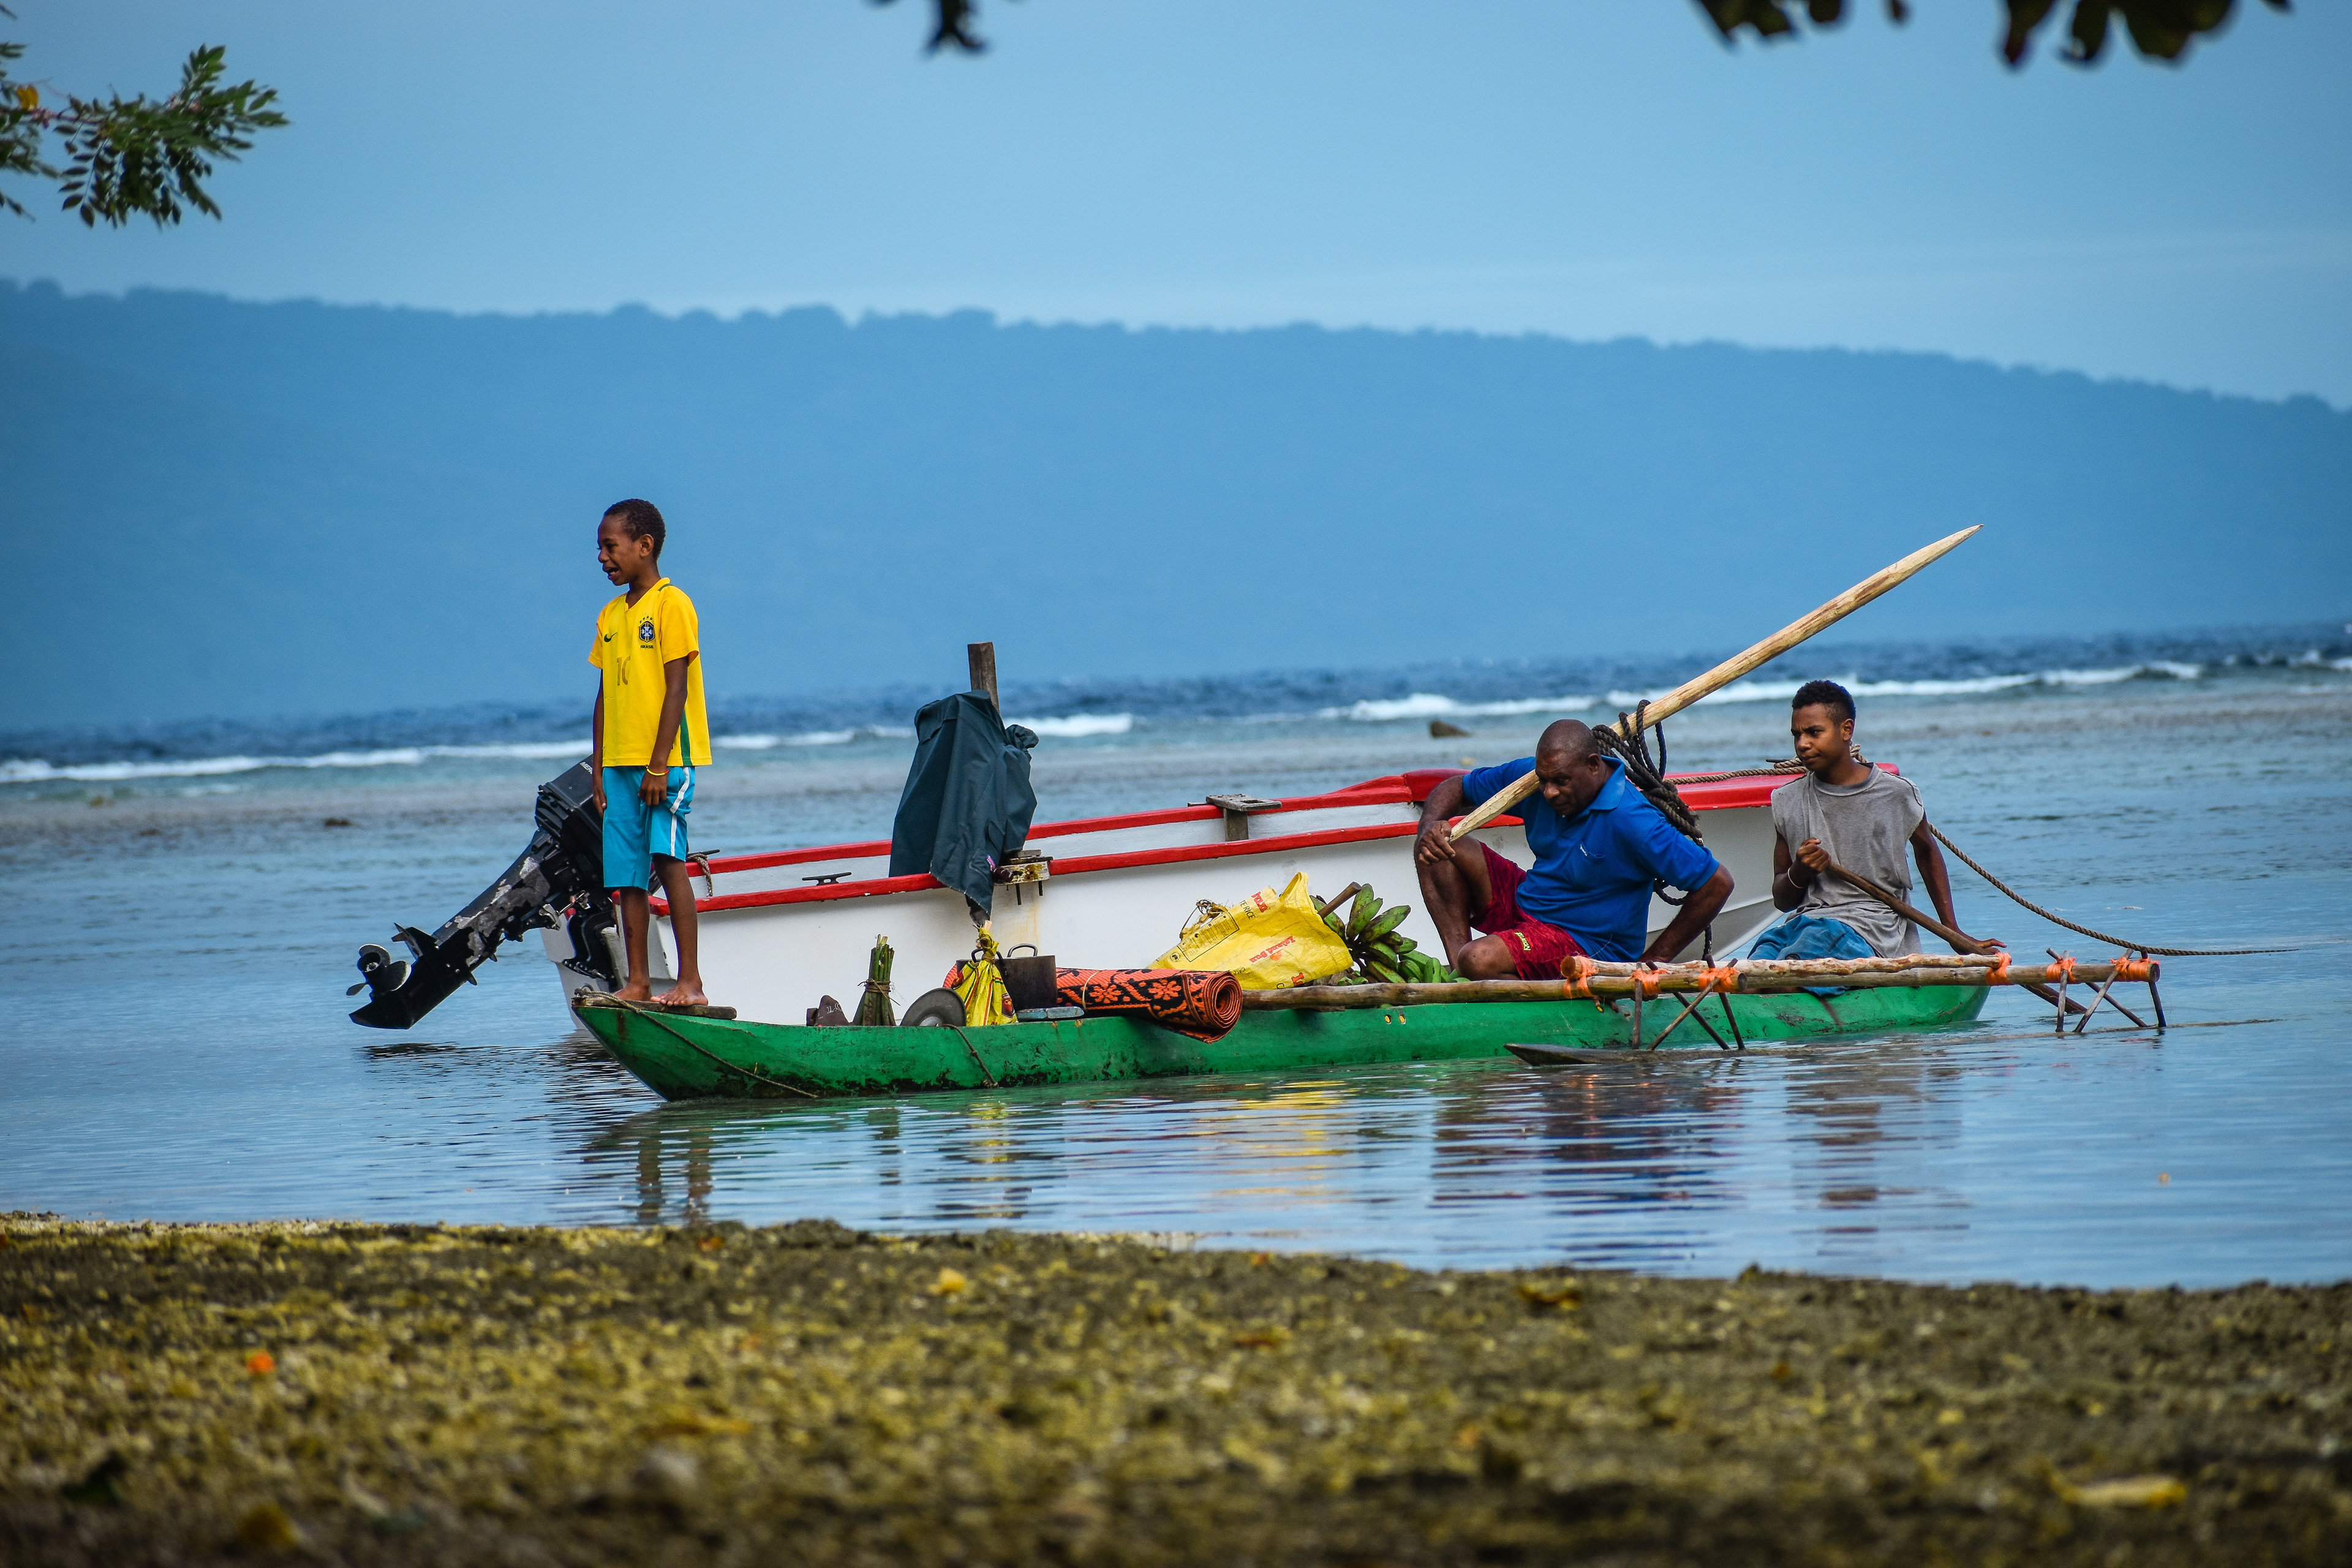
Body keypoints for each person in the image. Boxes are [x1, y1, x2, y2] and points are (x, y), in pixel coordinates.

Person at [1414, 719, 1734, 976]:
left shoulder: (1633, 820)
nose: (1549, 792)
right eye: (1543, 780)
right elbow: (1455, 786)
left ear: (1594, 766)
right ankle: (1458, 977)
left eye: (1561, 782)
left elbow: (1717, 883)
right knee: (1436, 848)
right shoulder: (1538, 778)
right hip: (1529, 907)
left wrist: (1654, 961)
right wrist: (1429, 824)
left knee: (1479, 958)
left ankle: (1486, 981)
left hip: (1583, 943)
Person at [1755, 678, 1992, 962]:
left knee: (1793, 967)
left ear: (1846, 730)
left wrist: (1953, 931)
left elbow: (1928, 852)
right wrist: (1800, 872)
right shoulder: (1787, 800)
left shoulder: (1896, 793)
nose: (1802, 744)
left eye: (1814, 733)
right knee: (1753, 969)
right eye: (1796, 735)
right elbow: (1783, 902)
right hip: (1801, 928)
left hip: (1870, 930)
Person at [589, 498, 712, 1005]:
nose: (602, 557)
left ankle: (691, 983)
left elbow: (676, 689)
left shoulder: (671, 604)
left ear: (645, 546)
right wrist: (597, 767)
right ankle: (637, 982)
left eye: (610, 546)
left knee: (668, 861)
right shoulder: (611, 615)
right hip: (618, 766)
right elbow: (603, 696)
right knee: (626, 876)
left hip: (665, 762)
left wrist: (659, 763)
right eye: (598, 548)